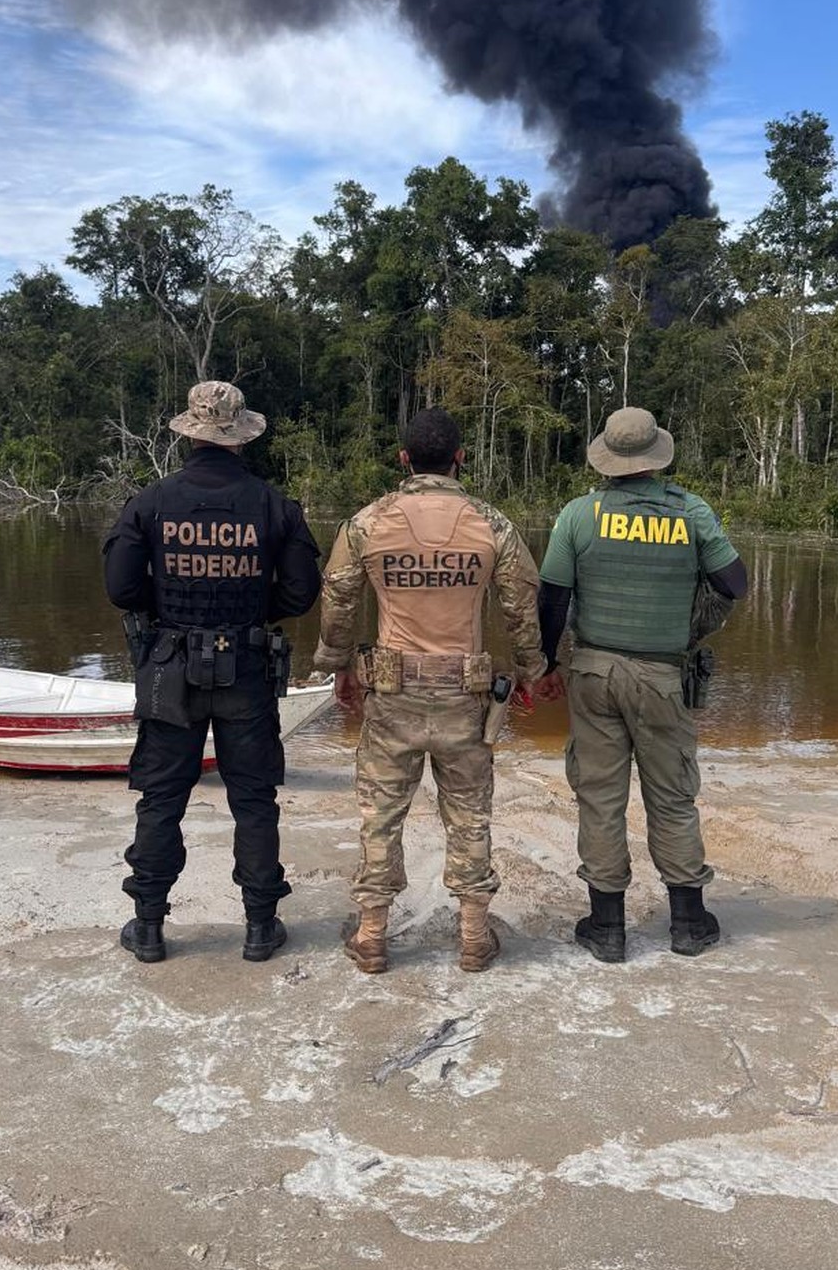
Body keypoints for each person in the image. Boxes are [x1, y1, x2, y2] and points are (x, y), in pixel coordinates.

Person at [313, 407, 545, 974]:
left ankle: (371, 936)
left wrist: (336, 664)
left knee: (380, 814)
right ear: (460, 459)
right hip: (465, 695)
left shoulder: (368, 523)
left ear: (404, 459)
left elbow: (338, 598)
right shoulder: (491, 524)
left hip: (391, 692)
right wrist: (533, 668)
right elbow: (521, 603)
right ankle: (472, 937)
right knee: (469, 814)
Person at [103, 381, 320, 964]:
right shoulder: (276, 506)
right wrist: (252, 610)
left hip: (169, 667)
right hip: (246, 668)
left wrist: (171, 608)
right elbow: (300, 594)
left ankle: (148, 925)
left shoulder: (150, 503)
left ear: (189, 435)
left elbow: (122, 589)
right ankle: (259, 926)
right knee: (253, 798)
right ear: (241, 436)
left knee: (161, 796)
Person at [535, 406, 747, 963]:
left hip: (594, 673)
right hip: (661, 676)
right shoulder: (691, 512)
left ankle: (607, 929)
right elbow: (734, 582)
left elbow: (552, 595)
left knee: (600, 798)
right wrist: (690, 615)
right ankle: (688, 924)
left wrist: (547, 662)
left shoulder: (580, 514)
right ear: (657, 457)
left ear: (607, 458)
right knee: (673, 798)